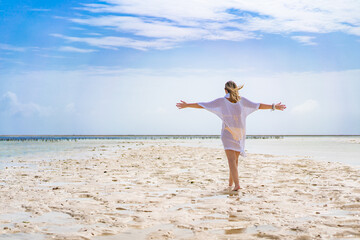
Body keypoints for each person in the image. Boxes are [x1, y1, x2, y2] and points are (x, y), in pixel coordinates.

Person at [176, 81, 286, 191]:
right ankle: (230, 184)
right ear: (236, 89)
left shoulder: (222, 101)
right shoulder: (242, 101)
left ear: (225, 90)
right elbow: (258, 105)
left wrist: (187, 105)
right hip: (239, 133)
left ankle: (237, 185)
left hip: (228, 132)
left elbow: (203, 105)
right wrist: (274, 106)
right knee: (235, 161)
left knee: (231, 160)